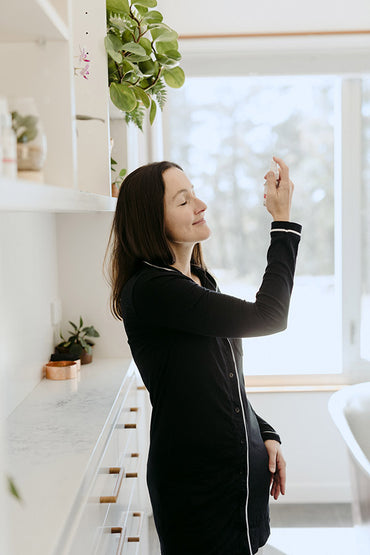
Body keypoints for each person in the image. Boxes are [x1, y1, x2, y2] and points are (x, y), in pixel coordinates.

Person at [106, 157, 301, 555]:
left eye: (194, 194)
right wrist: (282, 223)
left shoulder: (199, 281)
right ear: (150, 221)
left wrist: (263, 433)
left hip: (240, 490)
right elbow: (270, 316)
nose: (201, 205)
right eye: (183, 201)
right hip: (198, 495)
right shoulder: (153, 290)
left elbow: (224, 382)